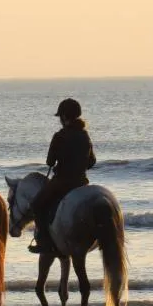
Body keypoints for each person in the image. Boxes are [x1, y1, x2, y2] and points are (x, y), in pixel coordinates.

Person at [29, 98, 96, 254]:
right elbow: (92, 162)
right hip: (81, 182)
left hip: (62, 182)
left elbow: (50, 162)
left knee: (37, 205)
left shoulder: (60, 136)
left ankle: (43, 241)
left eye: (60, 117)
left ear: (64, 116)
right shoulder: (85, 135)